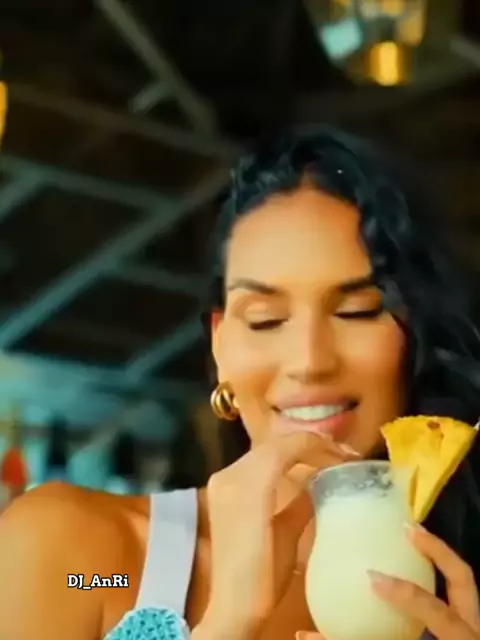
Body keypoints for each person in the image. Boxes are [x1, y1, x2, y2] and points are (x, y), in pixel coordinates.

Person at [1, 125, 480, 640]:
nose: (309, 362)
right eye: (265, 320)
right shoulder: (77, 558)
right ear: (220, 344)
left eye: (357, 311)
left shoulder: (456, 593)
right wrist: (229, 620)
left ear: (415, 335)